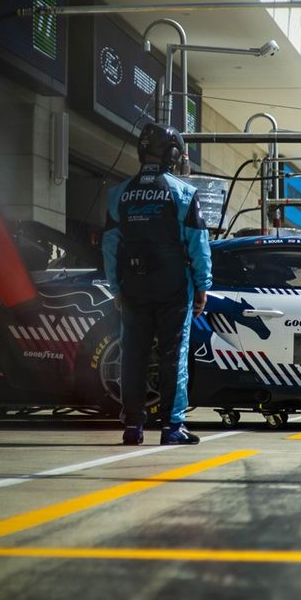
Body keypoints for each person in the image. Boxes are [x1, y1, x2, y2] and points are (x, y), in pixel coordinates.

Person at [103, 123, 212, 446]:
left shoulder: (118, 194)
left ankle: (133, 426)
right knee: (172, 355)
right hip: (173, 285)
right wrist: (203, 286)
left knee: (132, 354)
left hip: (133, 285)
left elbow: (110, 246)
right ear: (174, 154)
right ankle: (172, 427)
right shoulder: (183, 193)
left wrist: (116, 289)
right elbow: (198, 244)